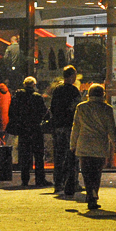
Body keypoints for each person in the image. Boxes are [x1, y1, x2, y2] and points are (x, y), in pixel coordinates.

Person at [69, 83, 116, 211]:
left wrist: (73, 144)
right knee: (97, 174)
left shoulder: (81, 107)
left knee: (86, 173)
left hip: (84, 145)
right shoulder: (107, 109)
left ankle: (90, 194)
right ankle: (94, 195)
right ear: (102, 94)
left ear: (89, 94)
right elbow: (111, 129)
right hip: (100, 146)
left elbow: (76, 128)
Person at [7, 76, 49, 187]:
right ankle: (40, 179)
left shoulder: (17, 97)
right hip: (35, 129)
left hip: (22, 129)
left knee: (25, 155)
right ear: (34, 85)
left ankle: (24, 179)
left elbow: (11, 112)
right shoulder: (37, 97)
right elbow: (44, 112)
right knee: (38, 155)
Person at [49, 65, 83, 198]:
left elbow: (52, 108)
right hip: (70, 126)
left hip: (58, 126)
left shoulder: (57, 90)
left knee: (59, 155)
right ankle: (72, 182)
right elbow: (77, 108)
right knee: (72, 155)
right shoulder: (74, 91)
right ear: (72, 76)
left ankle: (58, 183)